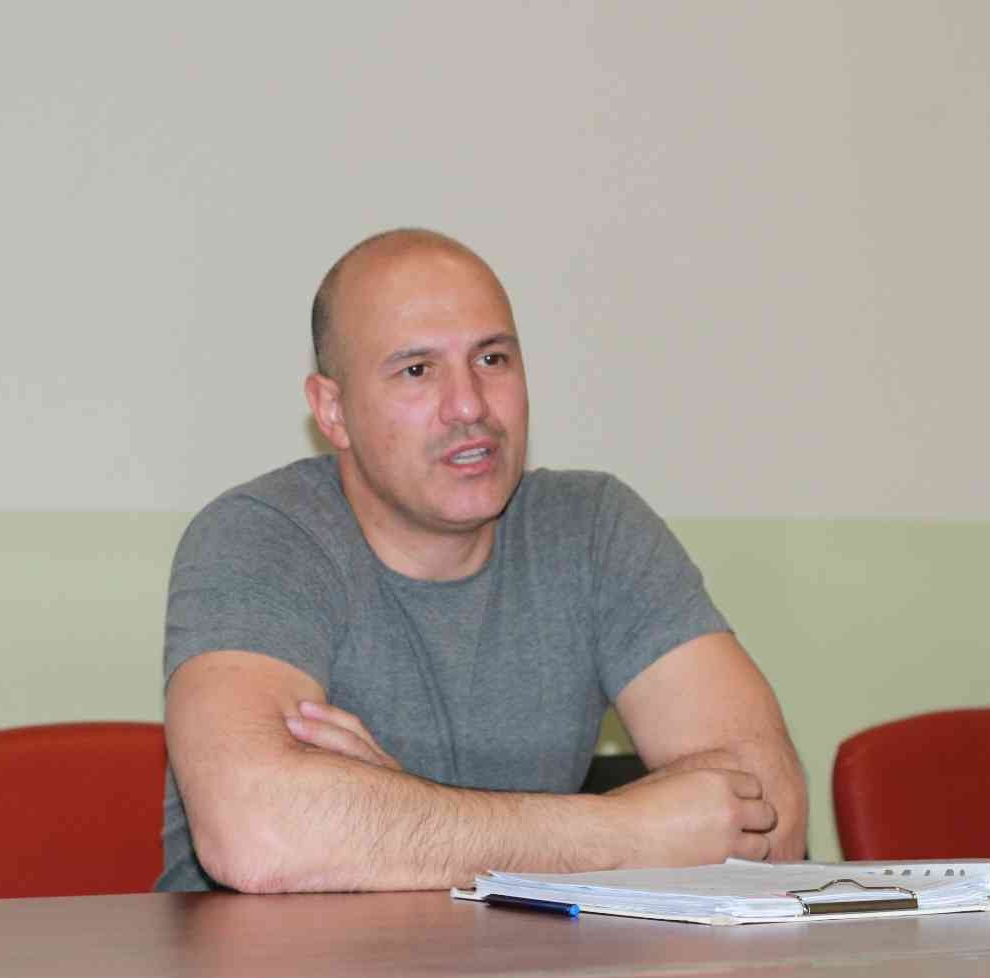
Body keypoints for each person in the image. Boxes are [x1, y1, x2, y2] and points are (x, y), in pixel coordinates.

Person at [157, 228, 806, 893]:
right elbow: (258, 835)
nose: (469, 405)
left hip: (524, 959)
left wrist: (394, 823)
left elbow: (770, 816)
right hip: (278, 962)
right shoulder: (261, 537)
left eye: (492, 359)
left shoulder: (592, 527)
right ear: (333, 410)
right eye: (417, 370)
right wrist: (625, 834)